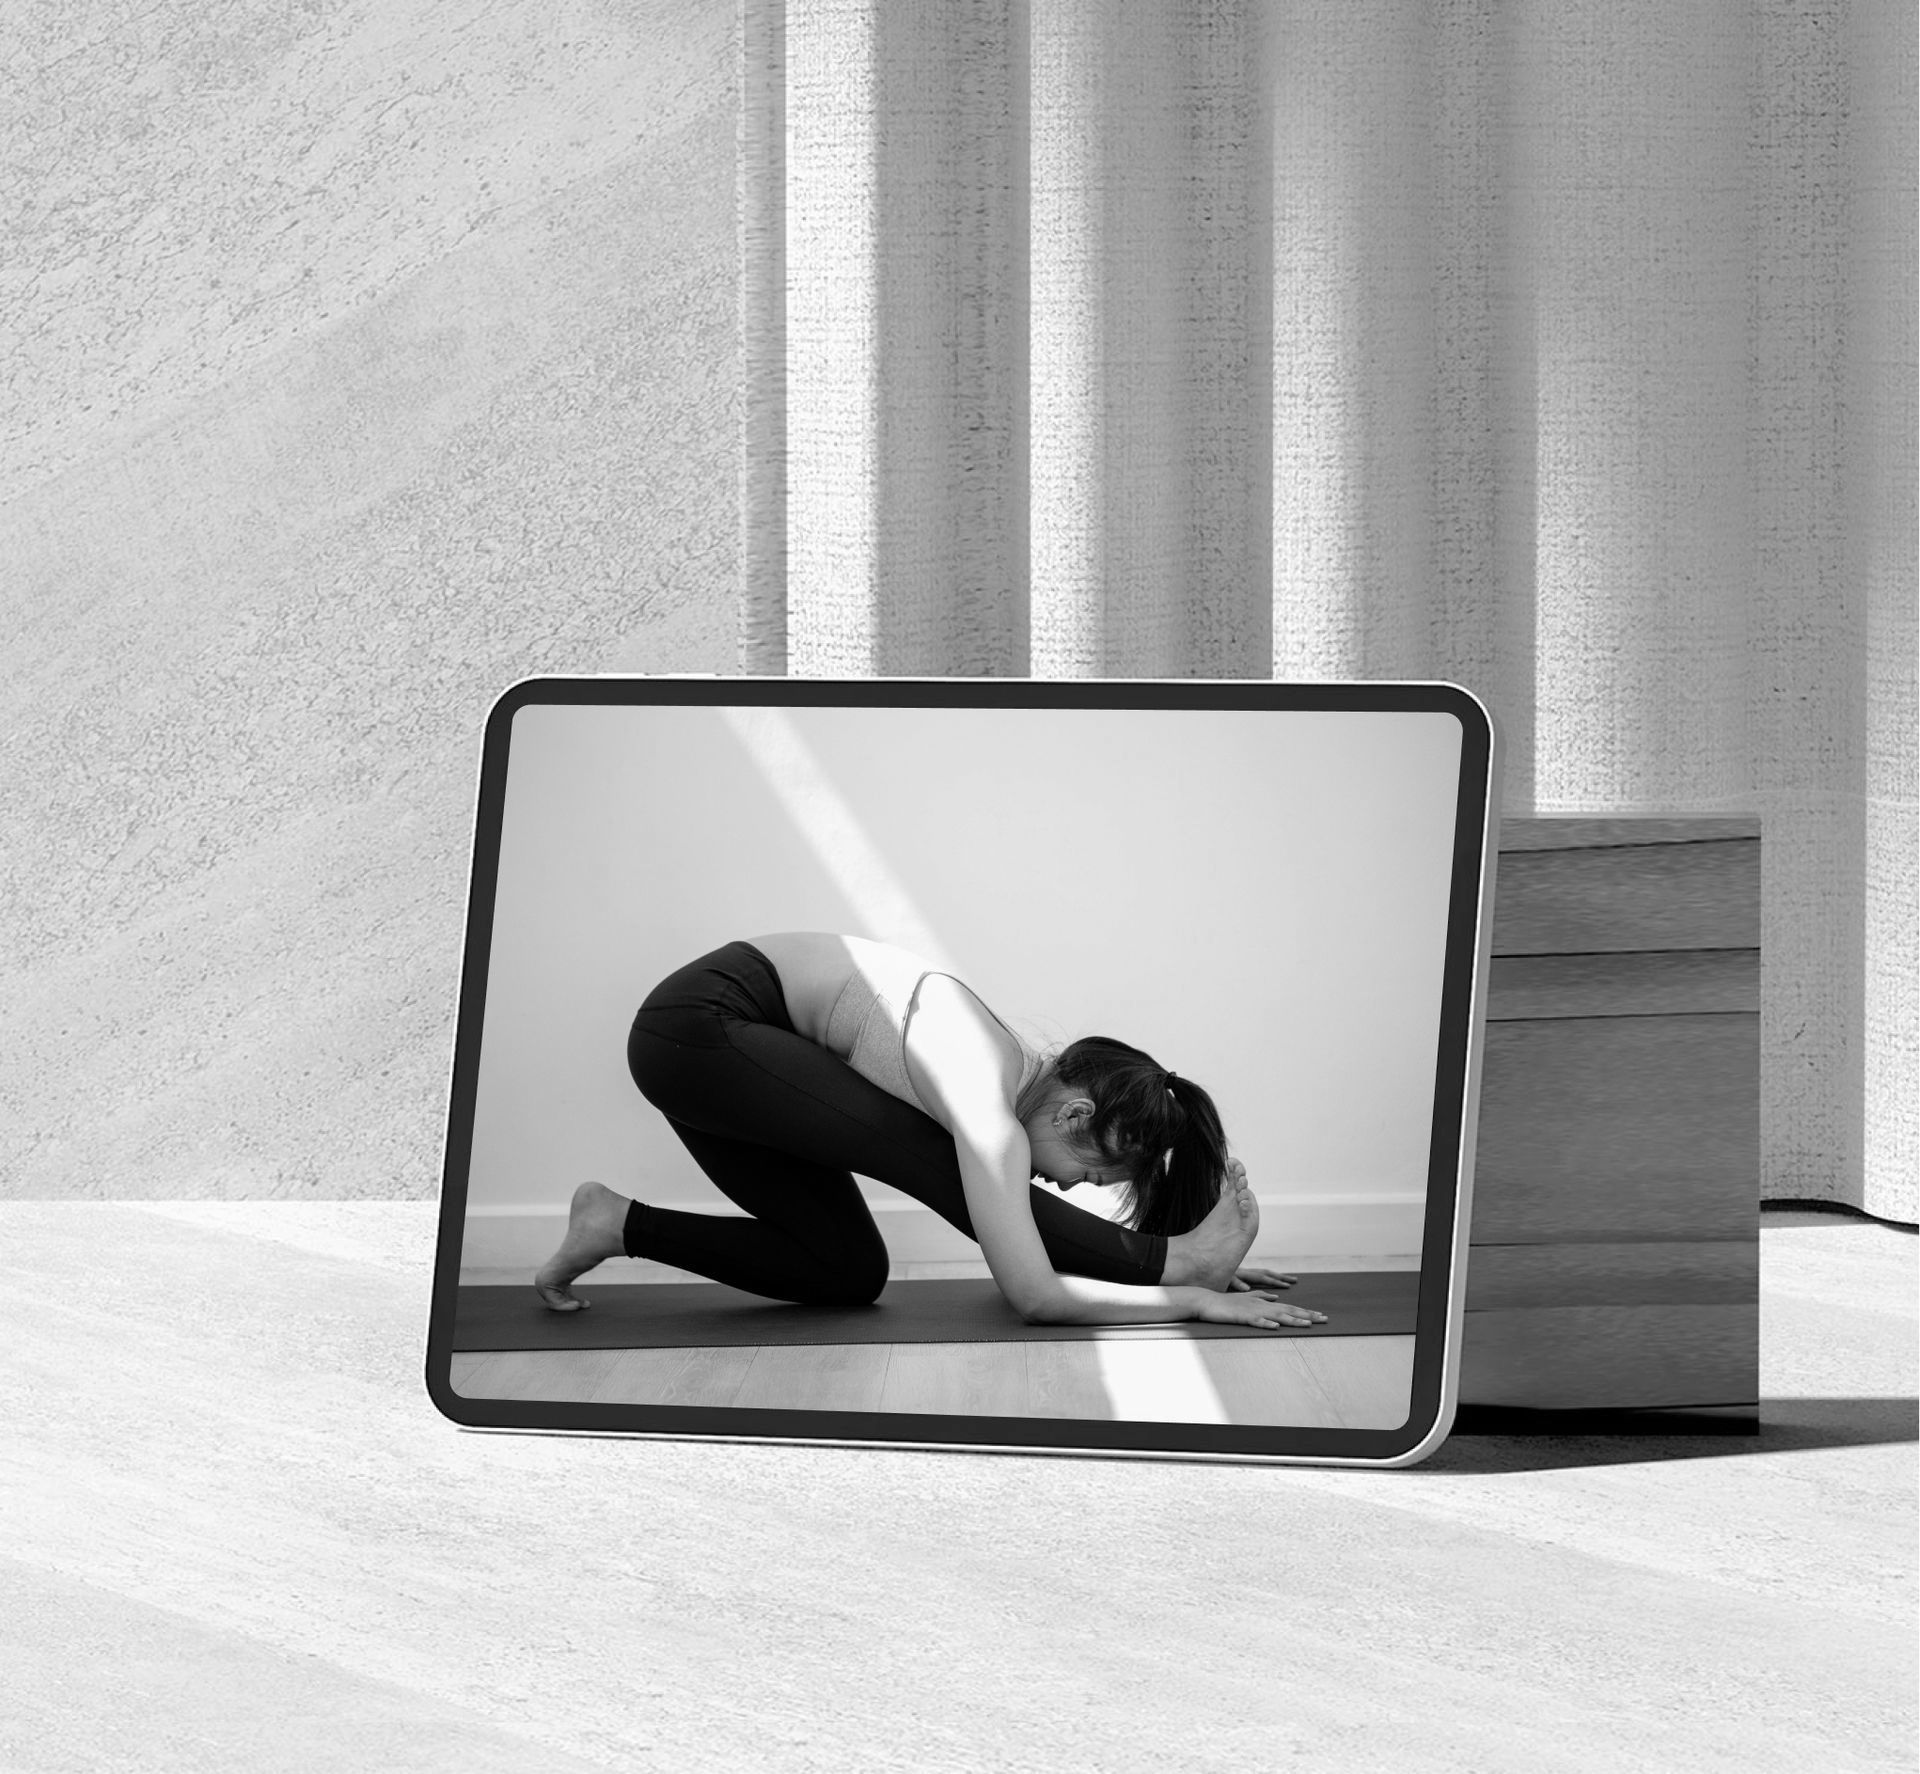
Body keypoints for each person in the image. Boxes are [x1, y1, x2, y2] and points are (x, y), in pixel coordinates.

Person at [533, 935, 1328, 1330]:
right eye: (1089, 1174)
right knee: (949, 1168)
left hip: (725, 1058)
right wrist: (1187, 1292)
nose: (1069, 1186)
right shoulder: (984, 1090)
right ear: (1075, 1114)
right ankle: (1178, 1255)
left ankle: (616, 1222)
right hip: (703, 1027)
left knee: (845, 1271)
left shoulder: (1001, 1082)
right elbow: (1033, 1296)